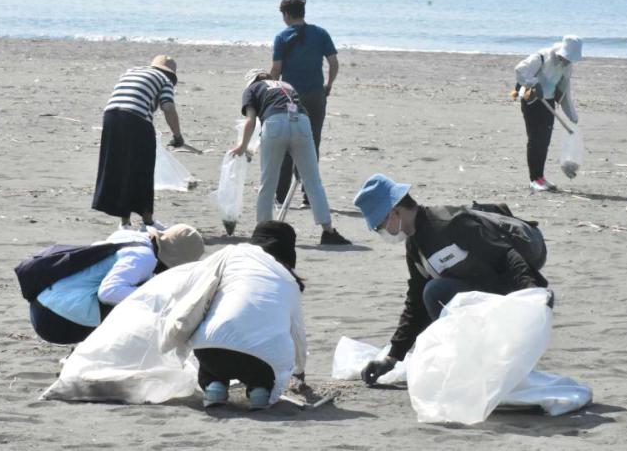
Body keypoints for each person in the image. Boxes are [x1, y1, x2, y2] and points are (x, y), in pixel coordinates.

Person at [352, 174, 548, 385]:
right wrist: (392, 357)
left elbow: (505, 254)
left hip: (509, 285)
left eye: (379, 225)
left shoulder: (448, 223)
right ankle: (473, 361)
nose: (380, 231)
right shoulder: (414, 246)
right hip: (481, 290)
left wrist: (531, 292)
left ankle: (474, 362)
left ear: (394, 212)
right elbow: (416, 303)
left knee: (435, 291)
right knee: (430, 293)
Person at [187, 221, 307, 410]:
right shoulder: (289, 282)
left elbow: (197, 286)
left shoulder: (232, 255)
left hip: (211, 349)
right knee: (265, 359)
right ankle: (260, 390)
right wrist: (299, 370)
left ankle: (214, 386)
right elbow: (298, 334)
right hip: (261, 360)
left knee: (215, 346)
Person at [231, 69, 351, 246]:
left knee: (268, 182)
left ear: (252, 81)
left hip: (274, 124)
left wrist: (242, 146)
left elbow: (251, 120)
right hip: (301, 122)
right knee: (312, 181)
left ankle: (264, 232)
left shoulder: (252, 89)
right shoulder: (286, 85)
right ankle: (329, 231)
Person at [30, 224, 204, 345]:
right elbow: (109, 292)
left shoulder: (130, 237)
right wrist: (158, 297)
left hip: (43, 305)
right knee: (147, 306)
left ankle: (85, 353)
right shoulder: (143, 257)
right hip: (59, 320)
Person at [92, 55, 186, 230]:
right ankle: (147, 221)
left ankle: (125, 223)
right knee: (142, 170)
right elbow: (168, 108)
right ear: (171, 75)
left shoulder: (131, 72)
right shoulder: (164, 79)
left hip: (111, 117)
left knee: (120, 168)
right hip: (136, 120)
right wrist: (178, 136)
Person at [270, 0, 339, 209]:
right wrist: (328, 85)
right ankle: (309, 195)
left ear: (287, 14)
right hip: (316, 95)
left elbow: (276, 70)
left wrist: (271, 90)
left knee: (288, 143)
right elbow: (334, 63)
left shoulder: (282, 37)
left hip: (291, 98)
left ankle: (281, 196)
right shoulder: (320, 34)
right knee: (312, 142)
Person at [514, 35, 583, 192]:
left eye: (569, 59)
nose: (566, 61)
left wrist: (571, 114)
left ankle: (541, 177)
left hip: (549, 103)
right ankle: (534, 179)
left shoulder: (567, 66)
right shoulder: (541, 57)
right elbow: (520, 70)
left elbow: (565, 91)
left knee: (544, 141)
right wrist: (533, 84)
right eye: (565, 58)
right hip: (531, 100)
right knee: (535, 139)